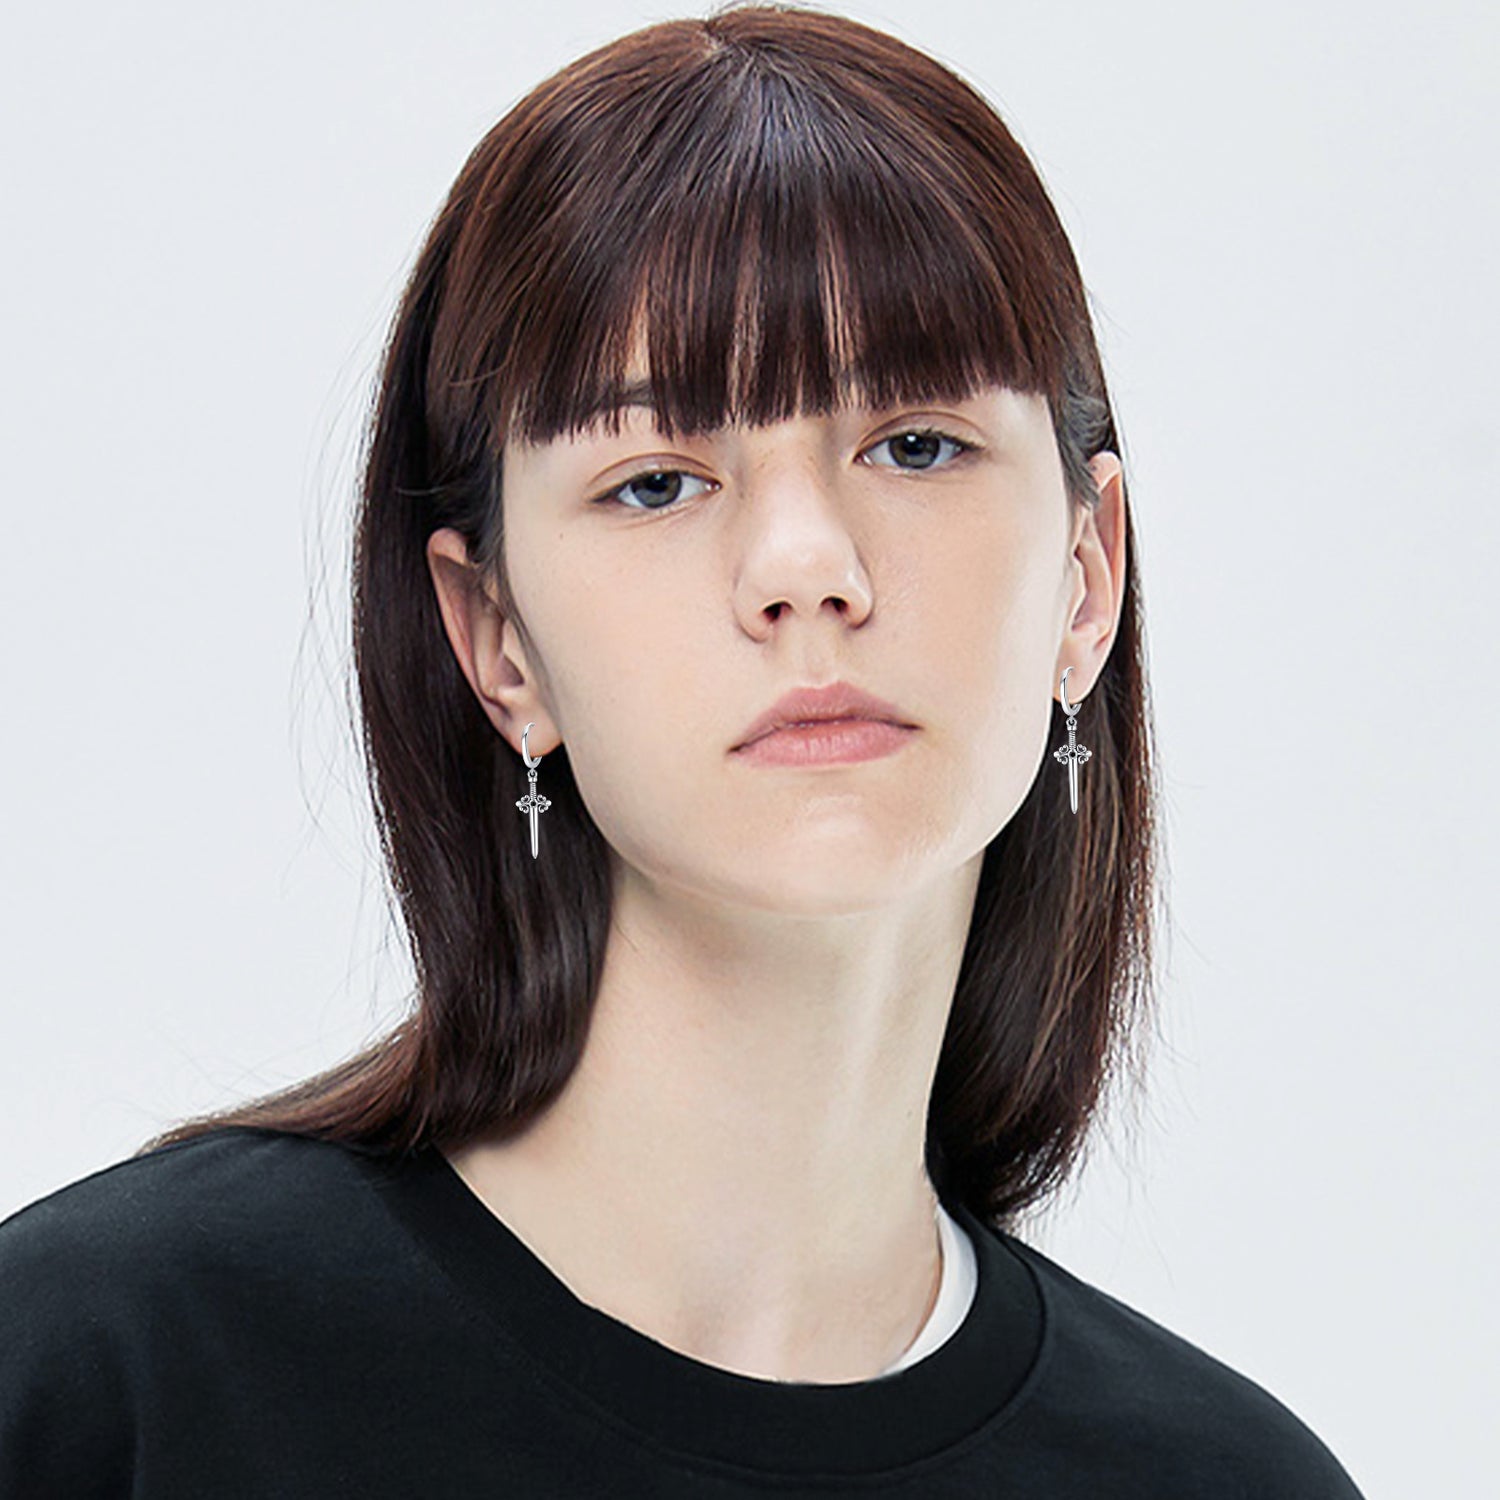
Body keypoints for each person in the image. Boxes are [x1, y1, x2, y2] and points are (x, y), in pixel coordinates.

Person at [0, 3, 1368, 1494]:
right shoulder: (103, 1375)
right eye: (657, 480)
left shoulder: (1227, 1482)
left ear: (1087, 578)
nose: (807, 568)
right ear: (496, 639)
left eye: (915, 444)